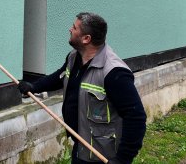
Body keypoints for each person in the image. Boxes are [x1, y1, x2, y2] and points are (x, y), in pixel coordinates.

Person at [18, 12, 146, 164]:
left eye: (74, 28)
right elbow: (60, 76)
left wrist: (123, 159)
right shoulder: (74, 57)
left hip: (103, 154)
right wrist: (34, 86)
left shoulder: (114, 72)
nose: (70, 30)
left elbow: (136, 117)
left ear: (86, 39)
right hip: (82, 146)